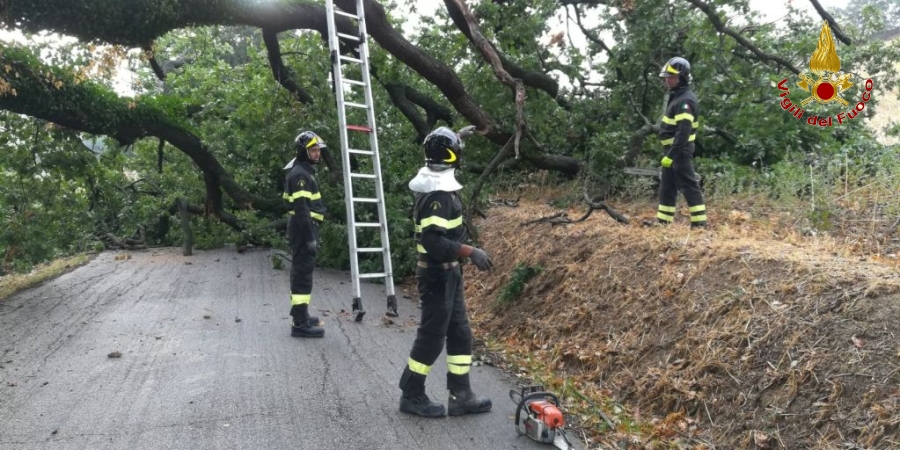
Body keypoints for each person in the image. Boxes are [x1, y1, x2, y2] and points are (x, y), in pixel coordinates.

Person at [397, 126, 494, 418]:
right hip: (437, 274)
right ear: (450, 155)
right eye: (457, 149)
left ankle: (461, 395)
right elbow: (433, 241)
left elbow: (443, 147)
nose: (461, 153)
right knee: (432, 336)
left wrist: (457, 135)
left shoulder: (439, 181)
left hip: (449, 273)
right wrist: (470, 251)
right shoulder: (437, 194)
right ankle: (411, 393)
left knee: (460, 332)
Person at [283, 131, 328, 338]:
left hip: (304, 228)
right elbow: (301, 210)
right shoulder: (300, 175)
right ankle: (300, 324)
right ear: (304, 151)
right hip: (303, 229)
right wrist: (310, 237)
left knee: (303, 273)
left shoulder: (303, 171)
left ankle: (301, 314)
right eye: (313, 149)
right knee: (302, 275)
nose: (317, 153)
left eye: (318, 149)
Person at [656, 56, 708, 228]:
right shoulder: (676, 97)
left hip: (680, 151)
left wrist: (672, 155)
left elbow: (683, 132)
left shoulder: (685, 100)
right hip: (672, 151)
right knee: (667, 187)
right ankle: (663, 222)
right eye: (666, 77)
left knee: (688, 185)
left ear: (682, 78)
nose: (667, 80)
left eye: (671, 77)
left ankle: (700, 224)